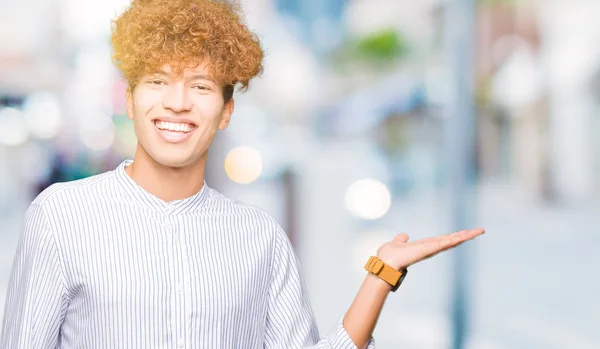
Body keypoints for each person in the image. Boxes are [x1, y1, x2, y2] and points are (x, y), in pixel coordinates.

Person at [0, 0, 485, 348]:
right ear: (129, 97)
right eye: (157, 81)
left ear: (226, 110)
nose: (177, 101)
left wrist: (381, 276)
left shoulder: (258, 238)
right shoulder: (61, 217)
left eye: (201, 85)